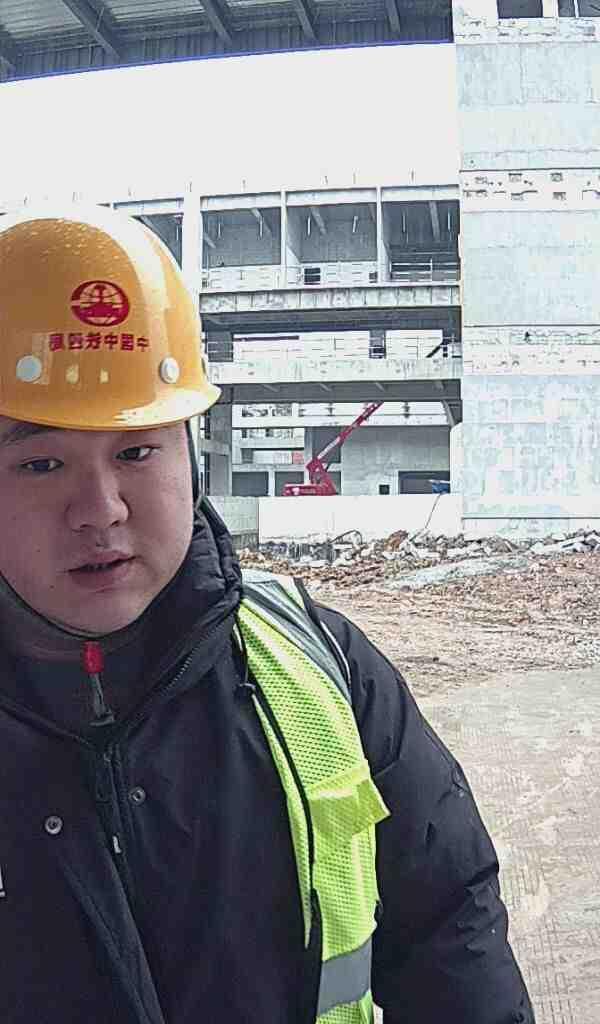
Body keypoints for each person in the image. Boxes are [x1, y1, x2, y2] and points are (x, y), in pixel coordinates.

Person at [0, 206, 535, 1024]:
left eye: (136, 451)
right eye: (42, 463)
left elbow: (447, 932)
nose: (101, 509)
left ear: (188, 453)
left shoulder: (320, 668)